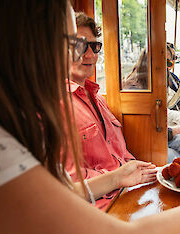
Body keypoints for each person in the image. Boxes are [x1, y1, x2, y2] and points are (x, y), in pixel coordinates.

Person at [0, 1, 180, 234]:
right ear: (26, 43)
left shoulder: (12, 122)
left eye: (91, 46)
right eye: (71, 44)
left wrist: (117, 176)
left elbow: (61, 193)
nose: (78, 56)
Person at [66, 12, 156, 209]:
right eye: (79, 46)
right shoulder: (55, 106)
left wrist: (145, 172)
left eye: (94, 46)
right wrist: (118, 178)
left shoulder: (98, 99)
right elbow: (67, 184)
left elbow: (121, 156)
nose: (90, 55)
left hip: (130, 192)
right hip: (100, 208)